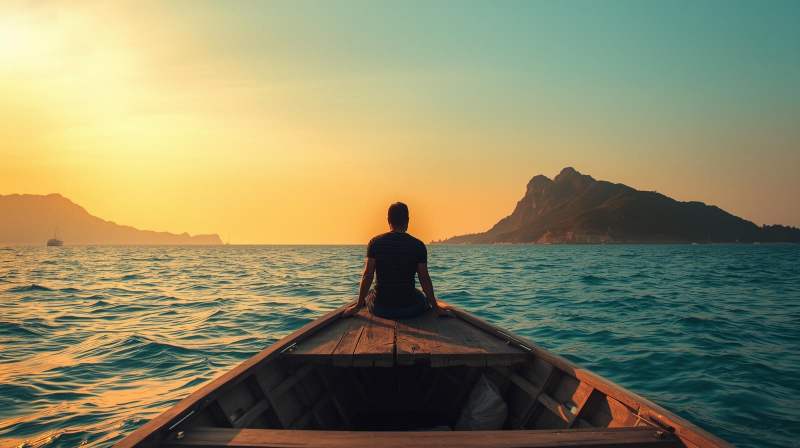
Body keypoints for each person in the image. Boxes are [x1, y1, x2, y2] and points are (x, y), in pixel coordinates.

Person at [343, 202, 449, 319]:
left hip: (381, 309)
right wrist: (435, 307)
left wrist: (358, 306)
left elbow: (368, 275)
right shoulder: (418, 245)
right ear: (407, 220)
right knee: (420, 296)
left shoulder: (375, 243)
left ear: (388, 220)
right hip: (409, 308)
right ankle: (436, 305)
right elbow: (424, 278)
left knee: (370, 295)